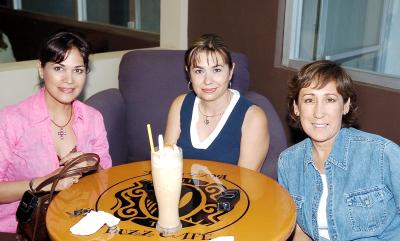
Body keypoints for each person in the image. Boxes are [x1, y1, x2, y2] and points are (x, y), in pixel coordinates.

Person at [0, 31, 112, 233]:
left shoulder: (93, 119)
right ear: (41, 70)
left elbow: (107, 181)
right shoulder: (10, 121)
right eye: (59, 68)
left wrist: (92, 168)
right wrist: (46, 182)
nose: (69, 79)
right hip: (19, 231)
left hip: (77, 226)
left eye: (78, 70)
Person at [278, 60, 400, 240]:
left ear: (345, 105)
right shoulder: (288, 162)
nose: (319, 112)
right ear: (296, 107)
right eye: (309, 100)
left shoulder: (382, 154)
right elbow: (298, 232)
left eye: (330, 99)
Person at [164, 34, 269, 171]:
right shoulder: (180, 104)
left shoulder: (253, 117)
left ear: (231, 71)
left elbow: (246, 183)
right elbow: (166, 164)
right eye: (199, 71)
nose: (208, 80)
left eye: (217, 70)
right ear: (188, 72)